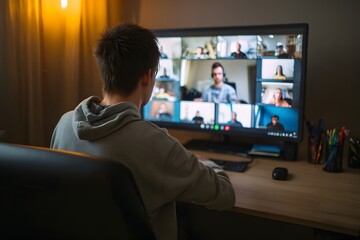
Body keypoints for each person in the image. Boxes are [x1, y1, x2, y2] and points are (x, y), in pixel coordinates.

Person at [50, 23, 235, 240]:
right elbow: (224, 194)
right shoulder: (156, 144)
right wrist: (203, 161)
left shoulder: (64, 125)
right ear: (147, 77)